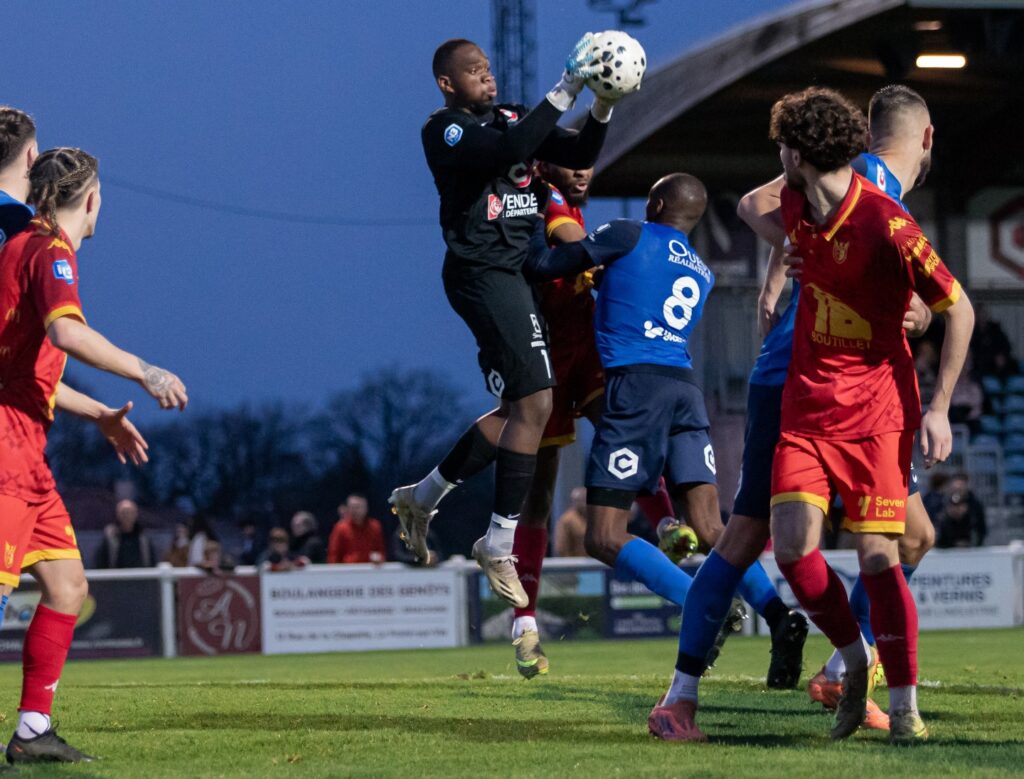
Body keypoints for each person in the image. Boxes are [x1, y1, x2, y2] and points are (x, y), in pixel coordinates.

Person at [653, 87, 972, 745]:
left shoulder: (880, 211)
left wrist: (792, 269)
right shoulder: (858, 180)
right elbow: (763, 206)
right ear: (928, 137)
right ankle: (698, 692)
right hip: (800, 388)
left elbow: (938, 300)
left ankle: (850, 672)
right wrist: (788, 261)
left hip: (864, 399)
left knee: (902, 541)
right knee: (764, 539)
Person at [525, 172, 784, 682]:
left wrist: (536, 223)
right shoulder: (703, 271)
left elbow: (544, 264)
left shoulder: (627, 233)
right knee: (712, 528)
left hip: (634, 388)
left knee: (603, 537)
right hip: (685, 391)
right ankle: (778, 614)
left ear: (657, 202)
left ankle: (699, 604)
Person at [389, 35, 618, 608]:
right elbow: (510, 146)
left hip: (519, 274)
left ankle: (423, 495)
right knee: (539, 403)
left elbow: (579, 146)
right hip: (482, 275)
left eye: (487, 68)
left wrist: (605, 99)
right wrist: (566, 85)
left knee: (519, 411)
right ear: (448, 84)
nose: (487, 77)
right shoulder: (444, 129)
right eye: (473, 71)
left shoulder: (515, 113)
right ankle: (498, 541)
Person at [0, 145, 187, 764]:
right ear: (91, 198)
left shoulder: (21, 246)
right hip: (4, 450)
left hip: (27, 451)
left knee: (68, 585)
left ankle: (31, 731)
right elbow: (65, 333)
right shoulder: (49, 250)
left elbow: (34, 372)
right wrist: (144, 370)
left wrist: (100, 413)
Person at [510, 163, 685, 678]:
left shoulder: (572, 203)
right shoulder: (546, 203)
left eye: (589, 165)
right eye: (573, 165)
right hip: (542, 359)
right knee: (538, 494)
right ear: (546, 167)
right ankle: (524, 624)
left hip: (583, 350)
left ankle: (669, 525)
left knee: (621, 431)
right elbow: (573, 241)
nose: (584, 173)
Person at [93, 499, 156, 569]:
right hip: (116, 578)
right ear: (118, 514)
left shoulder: (144, 539)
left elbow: (152, 562)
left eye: (130, 513)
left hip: (141, 578)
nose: (127, 516)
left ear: (136, 514)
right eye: (124, 513)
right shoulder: (109, 538)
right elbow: (101, 563)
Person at [327, 495, 386, 564]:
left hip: (370, 569)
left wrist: (380, 558)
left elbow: (380, 550)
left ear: (366, 508)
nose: (355, 511)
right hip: (348, 570)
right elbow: (333, 554)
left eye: (358, 507)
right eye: (352, 507)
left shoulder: (375, 526)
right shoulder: (340, 528)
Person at [936, 473, 986, 548]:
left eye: (960, 489)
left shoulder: (975, 505)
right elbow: (937, 530)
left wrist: (966, 515)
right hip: (946, 549)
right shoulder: (942, 503)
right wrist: (948, 516)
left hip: (970, 548)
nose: (957, 491)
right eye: (955, 489)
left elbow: (980, 530)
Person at [553, 487, 588, 558]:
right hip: (575, 563)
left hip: (595, 563)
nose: (583, 503)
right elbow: (561, 547)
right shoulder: (567, 519)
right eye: (579, 500)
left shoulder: (594, 517)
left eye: (584, 500)